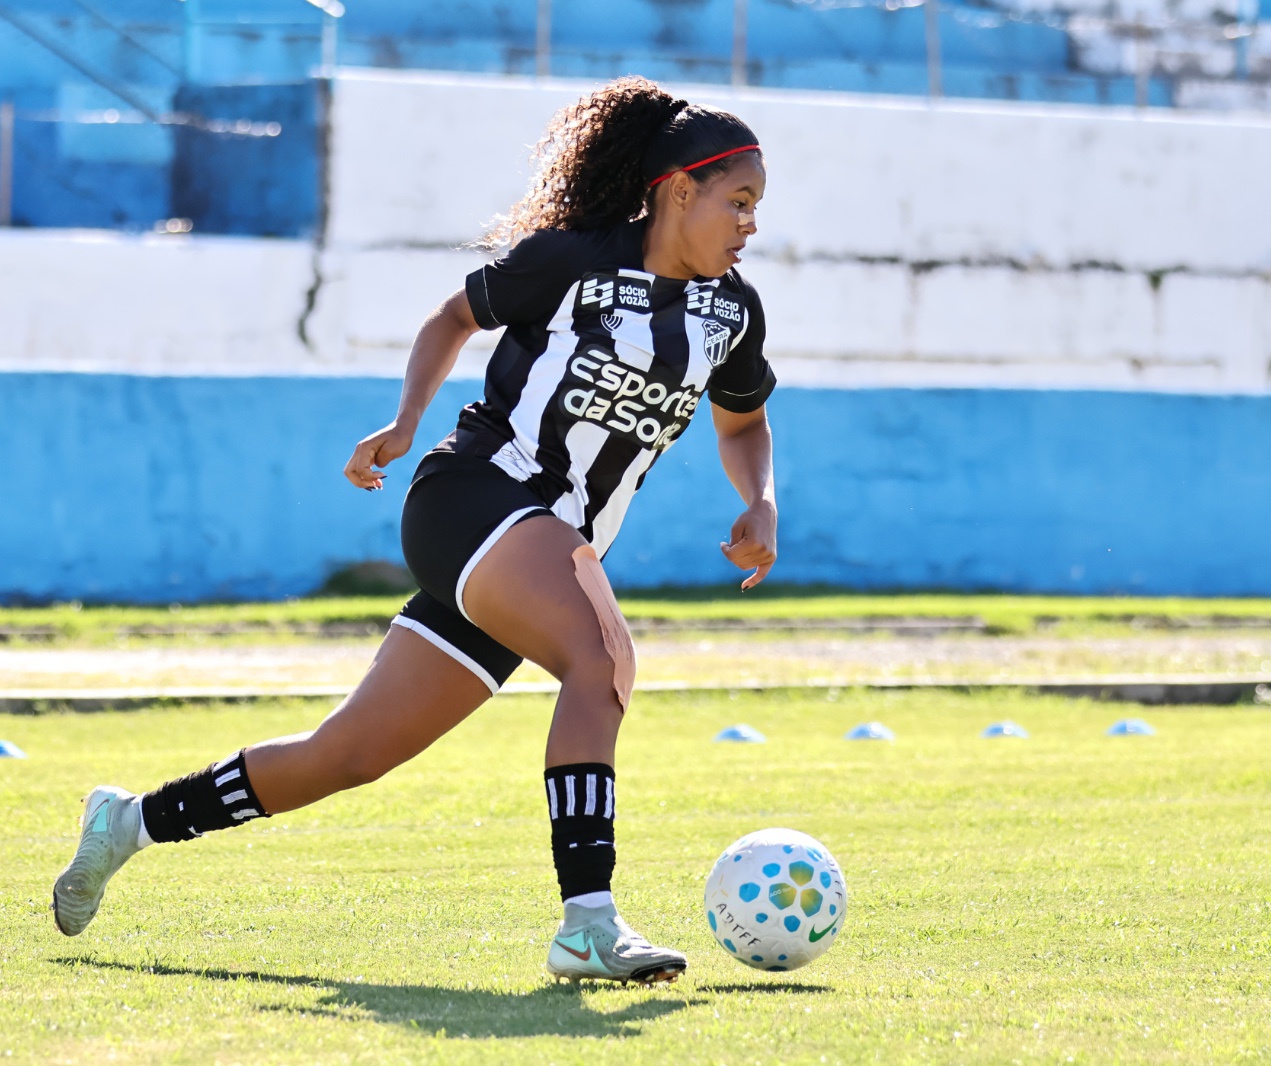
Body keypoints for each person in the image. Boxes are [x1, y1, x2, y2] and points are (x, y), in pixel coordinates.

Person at [51, 75, 778, 987]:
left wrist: (759, 499)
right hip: (474, 498)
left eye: (756, 207)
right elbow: (453, 316)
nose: (750, 224)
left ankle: (126, 824)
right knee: (600, 661)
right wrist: (402, 422)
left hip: (532, 554)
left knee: (346, 755)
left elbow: (742, 422)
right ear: (679, 192)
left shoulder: (731, 312)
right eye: (738, 202)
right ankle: (587, 923)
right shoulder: (570, 263)